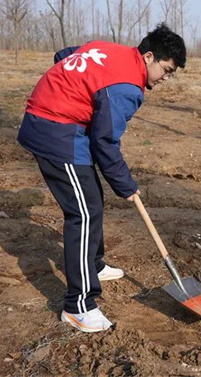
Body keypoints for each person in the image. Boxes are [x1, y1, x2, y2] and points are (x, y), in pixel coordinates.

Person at [17, 23, 186, 332]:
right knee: (82, 213)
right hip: (55, 131)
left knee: (91, 199)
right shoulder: (127, 88)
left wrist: (69, 90)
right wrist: (126, 186)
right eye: (166, 70)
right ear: (149, 56)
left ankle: (93, 264)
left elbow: (64, 55)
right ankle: (78, 306)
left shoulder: (108, 49)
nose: (166, 78)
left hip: (64, 126)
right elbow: (104, 142)